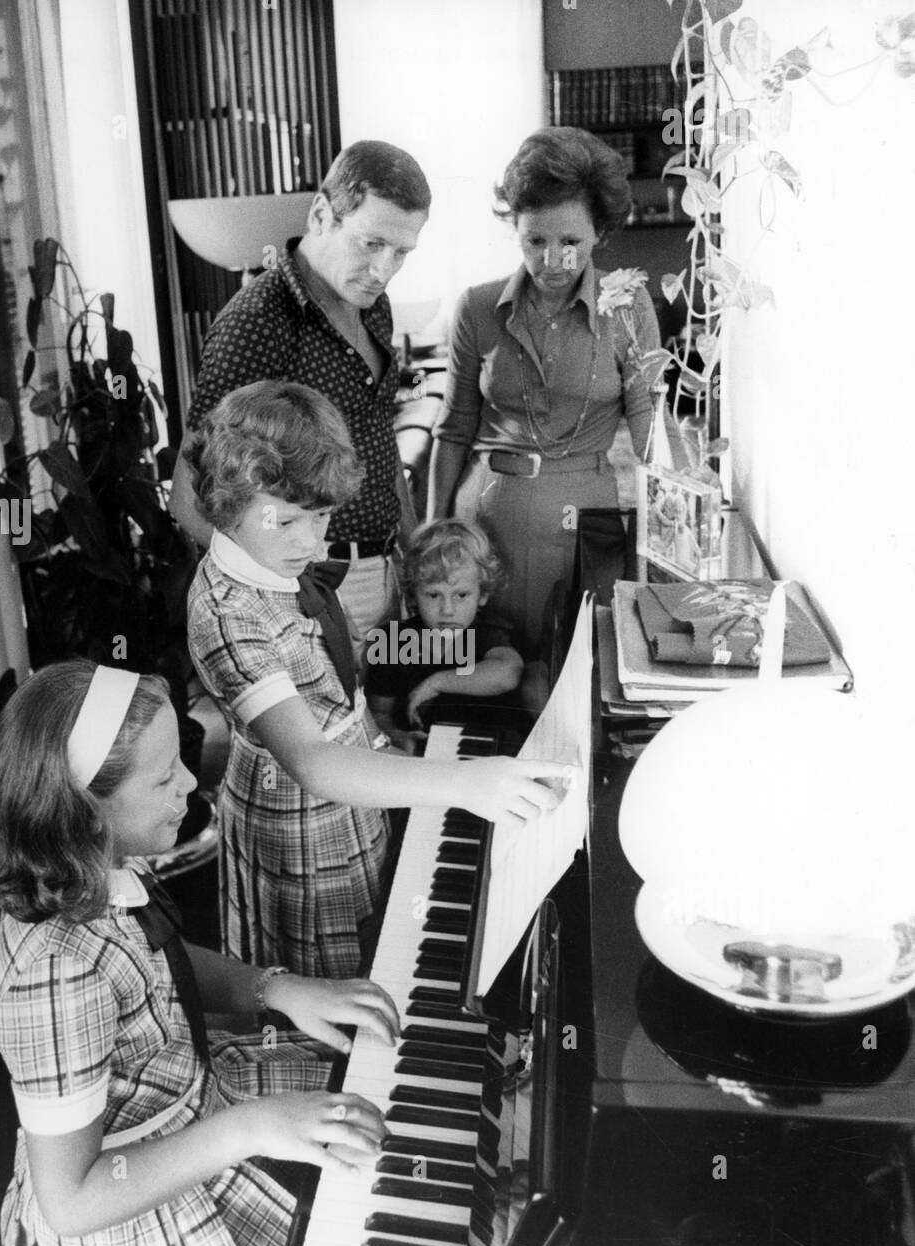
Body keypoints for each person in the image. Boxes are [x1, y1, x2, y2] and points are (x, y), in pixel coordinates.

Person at [0, 660, 398, 1246]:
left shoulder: (95, 868)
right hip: (129, 1203)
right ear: (83, 811)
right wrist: (253, 1128)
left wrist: (271, 986)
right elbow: (72, 1201)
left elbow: (159, 960)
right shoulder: (55, 973)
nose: (191, 781)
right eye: (165, 776)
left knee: (371, 1091)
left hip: (188, 1102)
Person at [185, 381, 566, 977]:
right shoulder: (230, 615)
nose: (312, 542)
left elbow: (337, 693)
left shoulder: (276, 561)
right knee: (331, 983)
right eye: (287, 521)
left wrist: (387, 739)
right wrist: (463, 783)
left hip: (352, 801)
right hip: (303, 833)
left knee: (371, 936)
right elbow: (312, 760)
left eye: (323, 517)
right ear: (228, 504)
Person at [170, 140, 431, 652]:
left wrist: (411, 546)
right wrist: (287, 591)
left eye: (401, 252)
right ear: (320, 215)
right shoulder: (257, 322)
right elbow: (188, 497)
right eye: (371, 243)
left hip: (384, 573)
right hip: (306, 585)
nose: (384, 269)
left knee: (379, 730)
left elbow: (379, 440)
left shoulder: (373, 306)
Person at [428, 126, 671, 658]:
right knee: (489, 674)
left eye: (570, 243)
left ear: (599, 235)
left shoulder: (629, 307)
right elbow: (452, 430)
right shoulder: (476, 307)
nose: (552, 260)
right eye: (535, 241)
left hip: (587, 515)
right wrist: (434, 534)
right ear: (515, 228)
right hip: (487, 516)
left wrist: (665, 530)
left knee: (577, 663)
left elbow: (647, 420)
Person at [365, 518, 523, 747]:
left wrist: (437, 682)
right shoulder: (392, 641)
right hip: (417, 761)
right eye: (433, 595)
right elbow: (378, 713)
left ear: (483, 595)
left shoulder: (489, 632)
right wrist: (397, 737)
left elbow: (508, 673)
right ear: (413, 595)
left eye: (461, 595)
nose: (447, 610)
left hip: (478, 756)